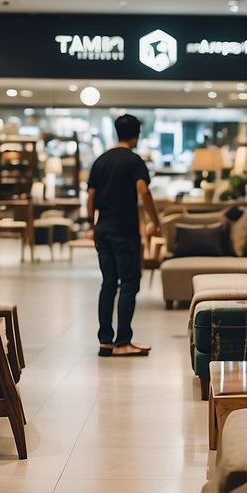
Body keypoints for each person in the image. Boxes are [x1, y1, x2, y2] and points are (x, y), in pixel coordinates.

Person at [86, 114, 159, 357]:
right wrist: (154, 220)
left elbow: (91, 196)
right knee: (129, 284)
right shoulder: (134, 161)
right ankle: (123, 341)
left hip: (103, 230)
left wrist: (90, 224)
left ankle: (105, 341)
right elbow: (143, 190)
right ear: (136, 134)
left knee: (108, 283)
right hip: (125, 232)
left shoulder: (101, 161)